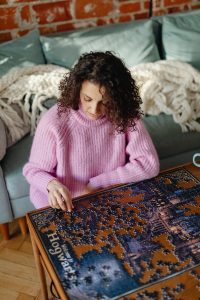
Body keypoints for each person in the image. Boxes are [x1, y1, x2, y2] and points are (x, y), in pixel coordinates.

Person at [23, 51, 159, 212]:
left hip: (109, 198)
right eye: (87, 99)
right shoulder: (54, 122)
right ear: (77, 89)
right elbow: (33, 170)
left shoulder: (124, 114)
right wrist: (51, 184)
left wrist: (97, 183)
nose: (95, 109)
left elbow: (149, 164)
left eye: (105, 102)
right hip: (63, 206)